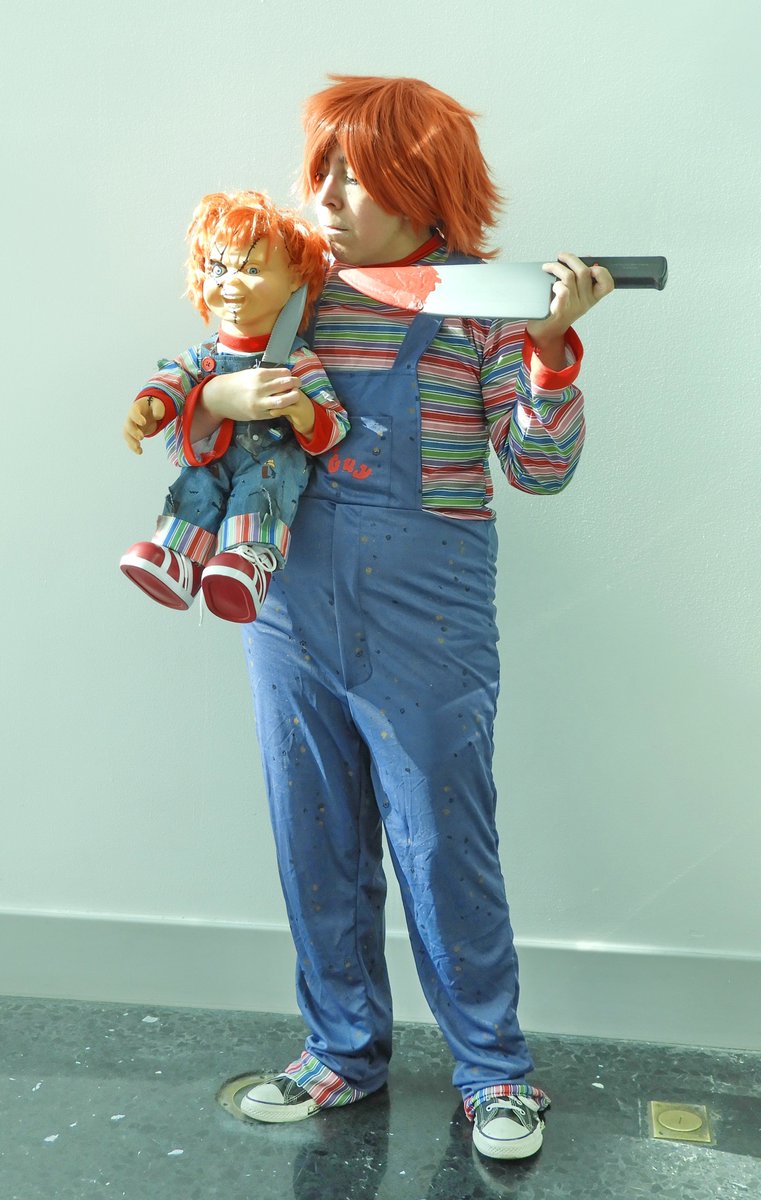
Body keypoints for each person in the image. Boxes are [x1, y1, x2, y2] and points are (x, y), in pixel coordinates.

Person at [182, 75, 614, 1159]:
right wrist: (216, 397)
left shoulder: (485, 303)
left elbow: (540, 467)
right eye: (318, 171)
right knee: (313, 838)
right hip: (286, 606)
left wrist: (551, 350)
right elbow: (203, 410)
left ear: (423, 186)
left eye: (357, 174)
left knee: (441, 843)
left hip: (428, 620)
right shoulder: (292, 289)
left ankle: (493, 1073)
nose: (326, 197)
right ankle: (339, 1050)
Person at [119, 191, 349, 622]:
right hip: (213, 456)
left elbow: (334, 423)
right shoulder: (204, 356)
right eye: (218, 268)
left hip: (269, 461)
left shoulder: (297, 359)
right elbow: (175, 377)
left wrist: (302, 410)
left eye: (252, 269)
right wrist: (151, 406)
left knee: (264, 487)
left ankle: (248, 561)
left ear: (296, 281)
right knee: (196, 485)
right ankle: (179, 561)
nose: (229, 282)